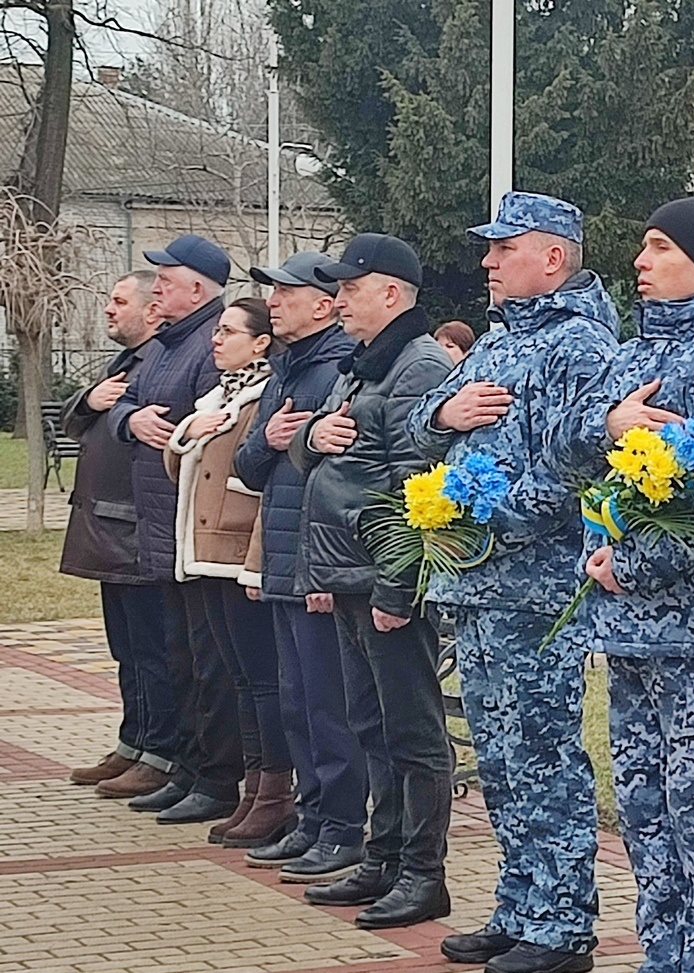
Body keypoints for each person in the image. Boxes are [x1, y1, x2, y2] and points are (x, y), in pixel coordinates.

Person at [549, 197, 694, 973]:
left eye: (659, 248)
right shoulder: (634, 352)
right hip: (628, 626)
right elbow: (564, 446)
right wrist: (614, 428)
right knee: (645, 806)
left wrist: (634, 566)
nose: (640, 263)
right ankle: (665, 955)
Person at [407, 192, 617, 973]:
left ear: (553, 257)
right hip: (479, 587)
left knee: (544, 751)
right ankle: (519, 903)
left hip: (535, 588)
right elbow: (424, 417)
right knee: (496, 755)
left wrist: (483, 522)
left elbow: (579, 467)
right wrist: (447, 413)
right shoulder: (499, 339)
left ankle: (561, 927)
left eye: (504, 248)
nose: (487, 262)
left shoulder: (579, 347)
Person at [288, 233, 453, 928]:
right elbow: (322, 460)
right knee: (371, 724)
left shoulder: (415, 365)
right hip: (348, 572)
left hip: (384, 582)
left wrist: (396, 587)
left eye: (350, 289)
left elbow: (413, 489)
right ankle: (383, 857)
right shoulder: (364, 364)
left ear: (390, 293)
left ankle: (423, 871)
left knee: (412, 732)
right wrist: (308, 439)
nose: (338, 301)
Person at [233, 253, 366, 880]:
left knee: (327, 706)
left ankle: (343, 828)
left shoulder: (339, 367)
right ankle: (312, 822)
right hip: (284, 558)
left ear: (322, 303)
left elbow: (343, 478)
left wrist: (324, 570)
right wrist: (270, 438)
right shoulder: (285, 369)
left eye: (286, 292)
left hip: (319, 564)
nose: (274, 302)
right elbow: (249, 467)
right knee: (296, 702)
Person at [109, 233, 246, 825]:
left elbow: (211, 431)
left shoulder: (207, 348)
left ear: (197, 288)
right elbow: (125, 402)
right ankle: (186, 767)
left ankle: (213, 776)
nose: (156, 288)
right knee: (177, 655)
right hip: (160, 526)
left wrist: (182, 427)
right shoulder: (166, 344)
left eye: (165, 280)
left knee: (206, 660)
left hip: (193, 526)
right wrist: (129, 417)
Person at [163, 297, 295, 848]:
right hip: (204, 553)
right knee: (237, 675)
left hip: (239, 553)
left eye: (228, 331)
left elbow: (256, 477)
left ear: (260, 342)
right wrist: (190, 428)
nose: (215, 340)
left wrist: (257, 561)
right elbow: (180, 467)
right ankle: (251, 787)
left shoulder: (264, 395)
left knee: (261, 678)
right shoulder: (219, 393)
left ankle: (274, 792)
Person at [63, 271, 181, 799]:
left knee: (154, 650)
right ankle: (133, 742)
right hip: (109, 530)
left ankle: (160, 751)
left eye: (118, 302)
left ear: (151, 312)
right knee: (126, 648)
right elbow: (77, 420)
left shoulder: (157, 364)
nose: (108, 310)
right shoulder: (123, 365)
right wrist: (91, 401)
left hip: (138, 531)